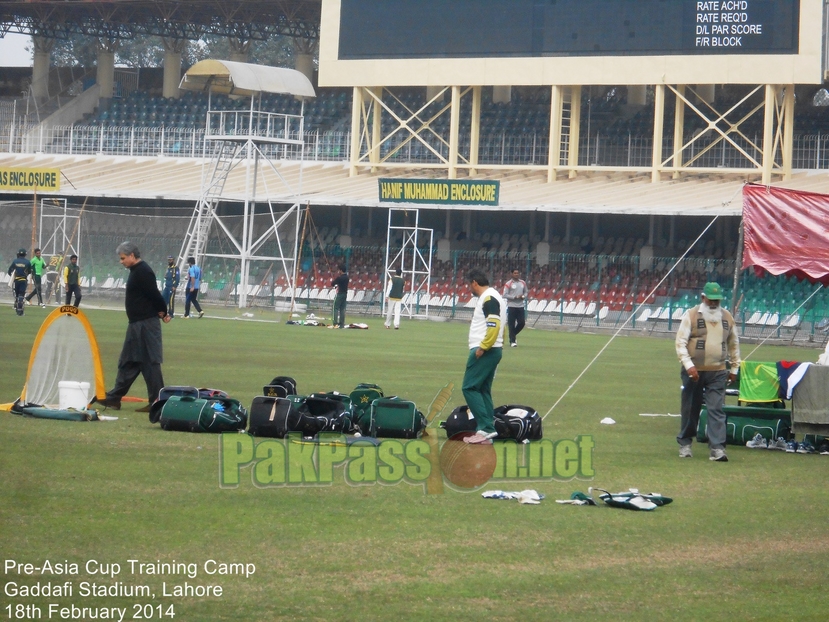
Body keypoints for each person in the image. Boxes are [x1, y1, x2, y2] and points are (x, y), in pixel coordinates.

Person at [93, 242, 171, 413]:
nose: (121, 261)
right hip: (137, 323)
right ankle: (114, 397)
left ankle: (158, 402)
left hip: (145, 324)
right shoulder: (137, 271)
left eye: (122, 258)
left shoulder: (143, 271)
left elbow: (155, 295)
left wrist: (163, 312)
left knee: (150, 362)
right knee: (130, 361)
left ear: (132, 256)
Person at [675, 281, 741, 462]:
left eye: (716, 301)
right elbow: (680, 343)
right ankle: (685, 443)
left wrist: (734, 367)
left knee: (716, 409)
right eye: (710, 300)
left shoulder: (727, 317)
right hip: (694, 370)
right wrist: (689, 366)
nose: (713, 303)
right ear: (703, 298)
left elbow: (734, 344)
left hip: (718, 370)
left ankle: (718, 448)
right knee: (690, 408)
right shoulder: (691, 315)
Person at [462, 268, 507, 445]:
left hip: (485, 350)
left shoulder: (488, 297)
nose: (469, 288)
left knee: (469, 387)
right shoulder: (496, 297)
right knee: (483, 389)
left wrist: (484, 346)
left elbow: (494, 324)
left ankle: (485, 428)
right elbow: (503, 325)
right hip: (494, 349)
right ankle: (488, 430)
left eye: (469, 284)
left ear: (474, 282)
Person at [502, 268, 528, 347]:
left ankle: (512, 335)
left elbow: (526, 291)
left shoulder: (522, 282)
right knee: (511, 324)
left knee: (522, 323)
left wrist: (523, 296)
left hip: (520, 306)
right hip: (511, 306)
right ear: (512, 274)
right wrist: (515, 297)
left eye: (517, 273)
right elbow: (504, 295)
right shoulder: (508, 283)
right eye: (515, 273)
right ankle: (512, 341)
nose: (516, 274)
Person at [7, 248, 31, 316]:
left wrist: (13, 276)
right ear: (25, 254)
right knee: (21, 295)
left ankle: (17, 306)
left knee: (17, 296)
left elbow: (9, 271)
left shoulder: (15, 261)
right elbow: (29, 271)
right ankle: (20, 311)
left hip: (16, 281)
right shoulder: (27, 262)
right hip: (23, 280)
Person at [331, 263, 349, 328]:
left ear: (341, 270)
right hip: (345, 294)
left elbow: (332, 283)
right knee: (342, 309)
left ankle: (335, 323)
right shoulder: (347, 277)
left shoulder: (340, 278)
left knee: (335, 308)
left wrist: (335, 281)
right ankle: (341, 324)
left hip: (340, 294)